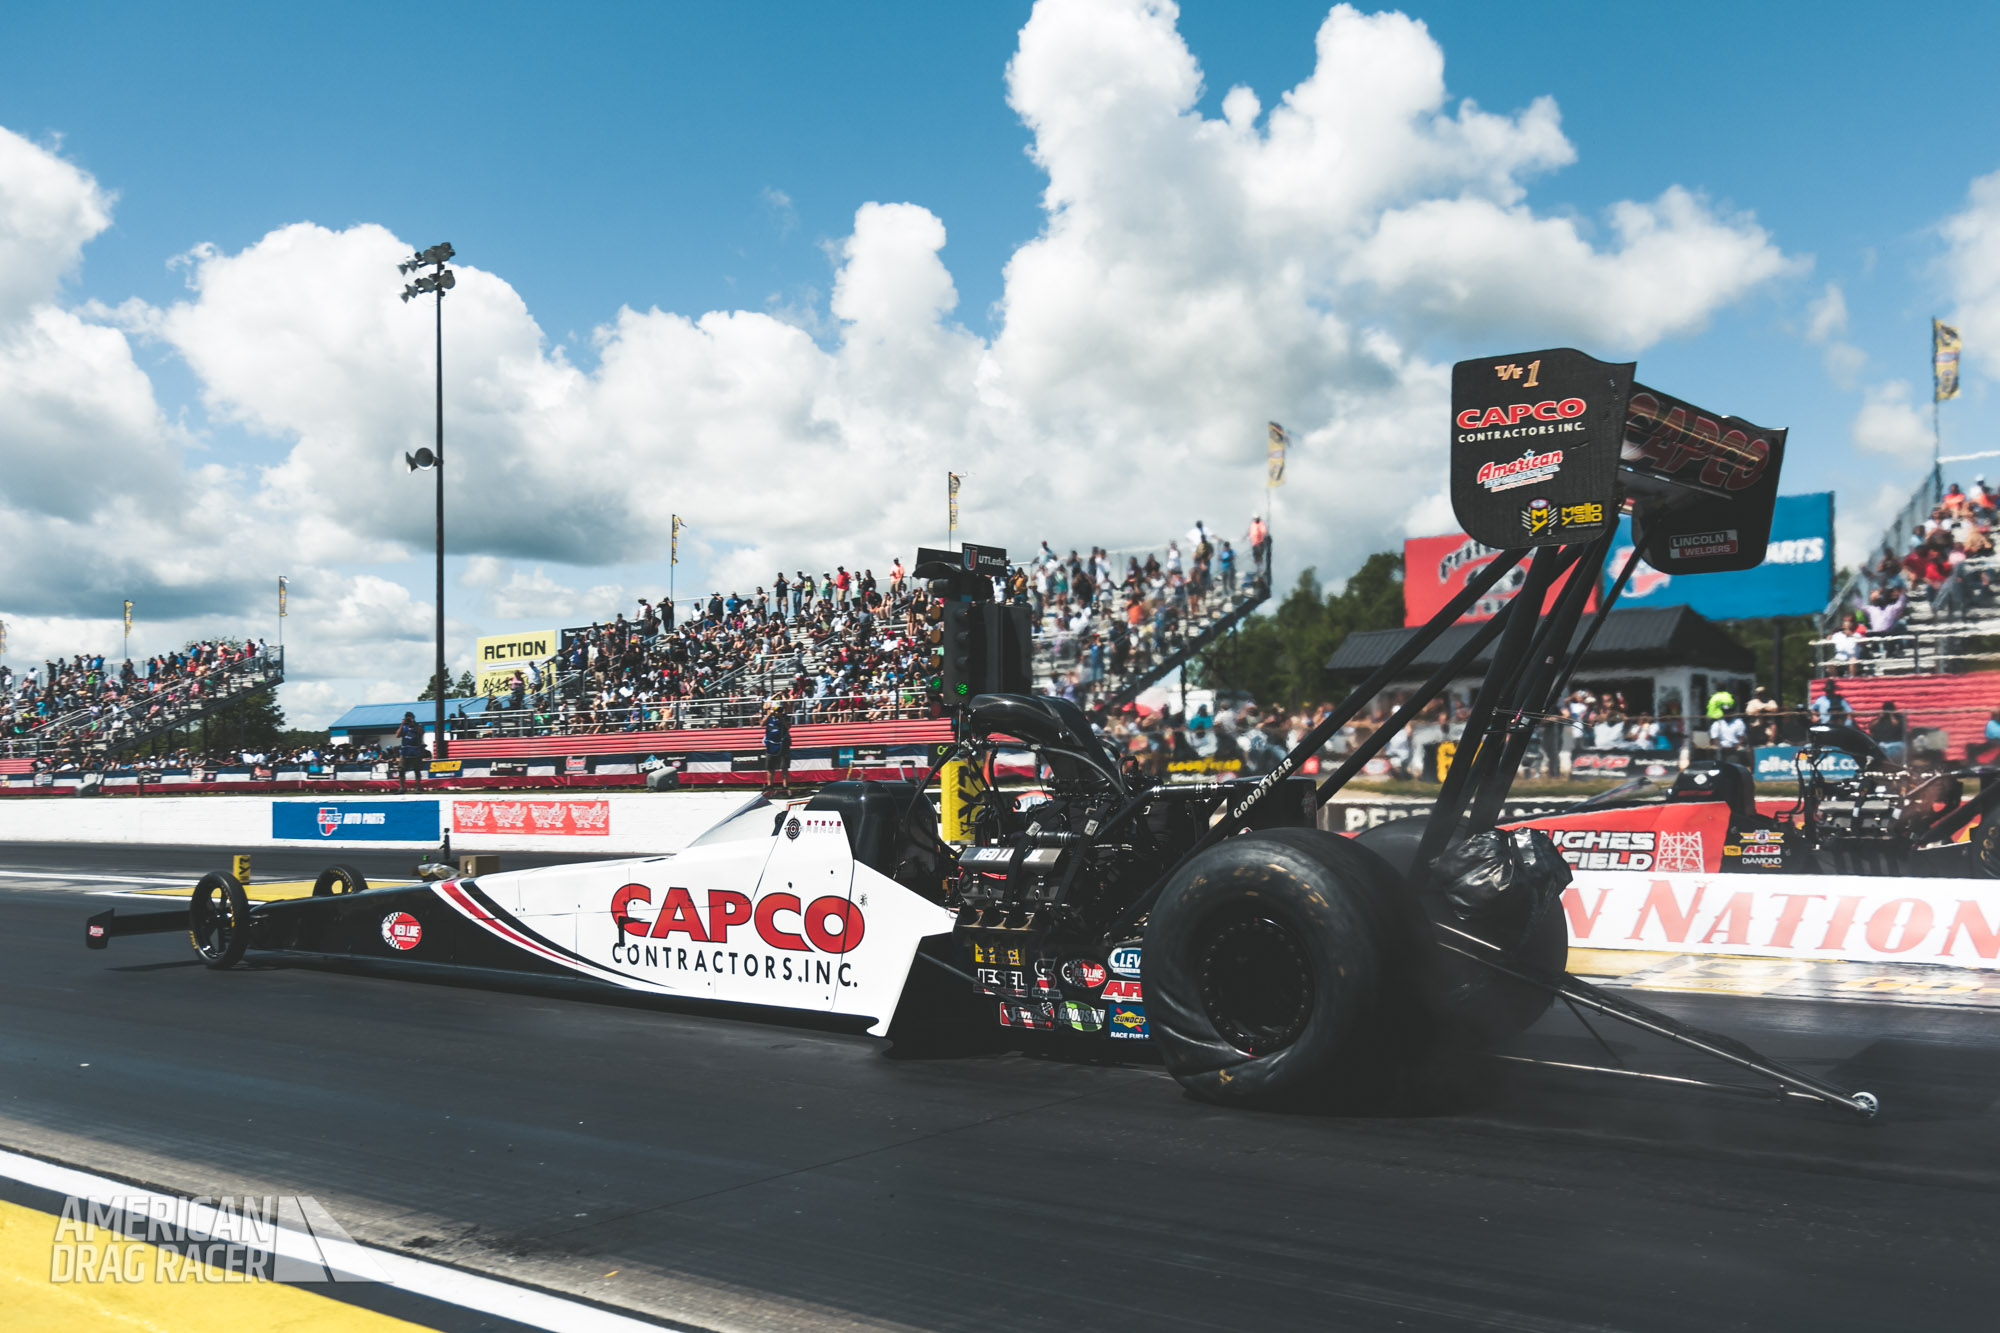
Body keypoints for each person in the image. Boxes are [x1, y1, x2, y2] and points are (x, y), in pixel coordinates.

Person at [1867, 700, 1908, 767]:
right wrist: (1880, 718)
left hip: (1895, 744)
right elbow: (1871, 727)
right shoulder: (1880, 719)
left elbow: (1896, 725)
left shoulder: (1899, 718)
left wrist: (1891, 715)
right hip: (1882, 744)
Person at [762, 699, 792, 792]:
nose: (778, 711)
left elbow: (788, 727)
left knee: (784, 766)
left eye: (780, 709)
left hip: (783, 743)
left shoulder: (785, 717)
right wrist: (770, 714)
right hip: (771, 743)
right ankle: (770, 784)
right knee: (770, 766)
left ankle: (785, 785)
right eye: (777, 709)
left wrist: (781, 718)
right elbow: (762, 724)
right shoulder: (769, 717)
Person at [395, 711, 425, 789]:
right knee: (401, 770)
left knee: (417, 770)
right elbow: (397, 735)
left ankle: (417, 787)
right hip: (405, 751)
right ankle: (401, 788)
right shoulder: (404, 727)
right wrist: (402, 724)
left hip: (415, 751)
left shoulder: (418, 726)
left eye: (410, 717)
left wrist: (414, 723)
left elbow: (421, 732)